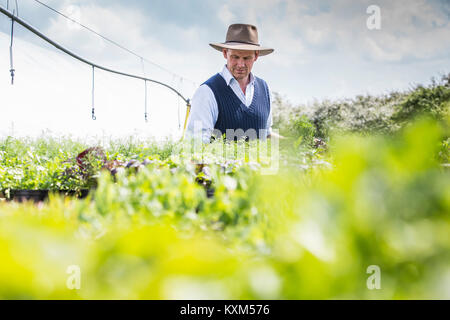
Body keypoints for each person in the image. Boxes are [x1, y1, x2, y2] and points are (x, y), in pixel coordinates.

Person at [186, 23, 279, 142]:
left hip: (259, 161)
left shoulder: (264, 89)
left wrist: (295, 144)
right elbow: (196, 144)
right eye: (235, 57)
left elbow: (266, 134)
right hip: (218, 161)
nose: (240, 64)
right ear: (225, 53)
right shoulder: (207, 92)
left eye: (246, 58)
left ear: (256, 56)